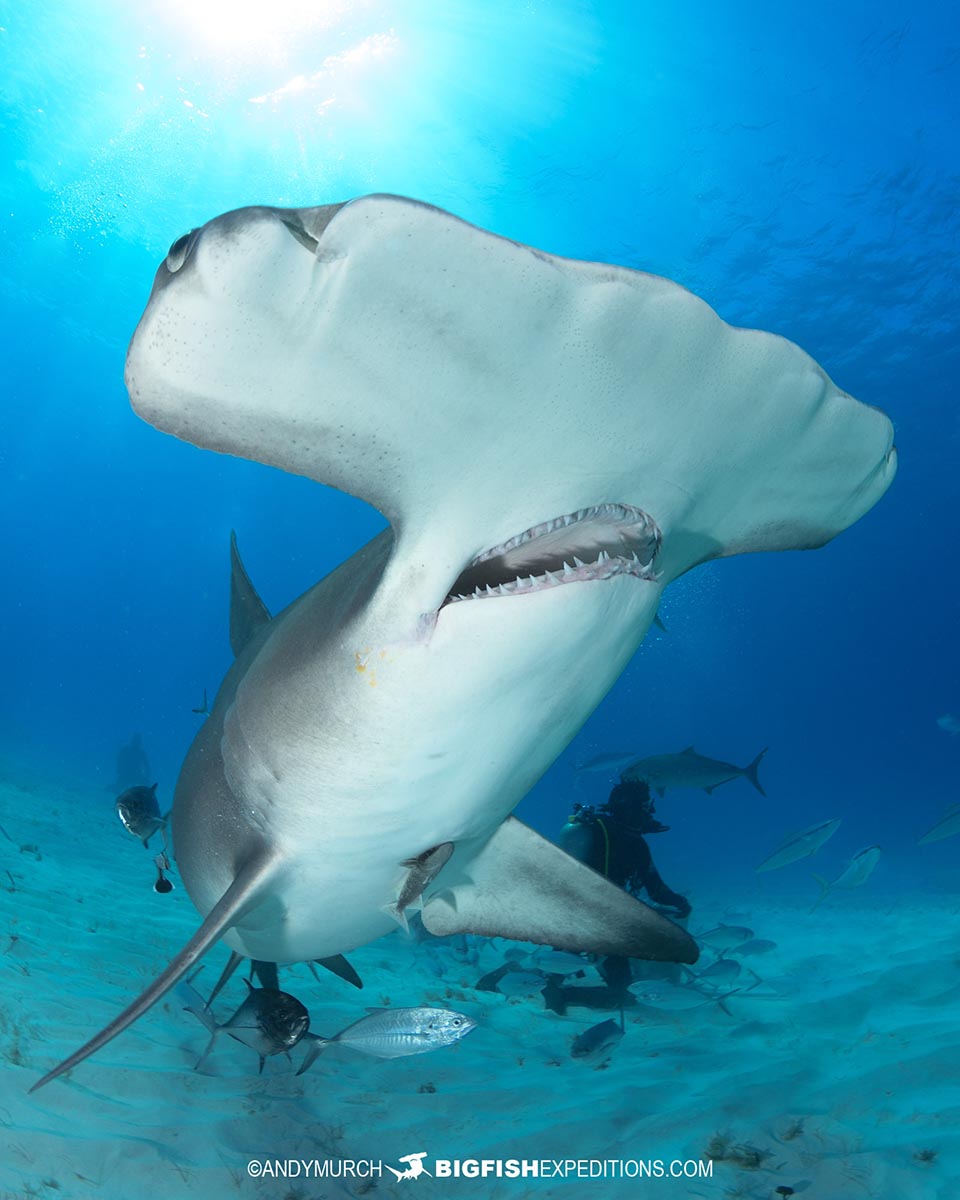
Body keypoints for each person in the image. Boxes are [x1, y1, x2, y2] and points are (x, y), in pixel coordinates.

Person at [560, 778, 691, 918]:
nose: (652, 811)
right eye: (647, 806)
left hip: (569, 906)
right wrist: (682, 903)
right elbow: (658, 892)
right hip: (603, 914)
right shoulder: (635, 844)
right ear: (634, 809)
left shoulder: (593, 825)